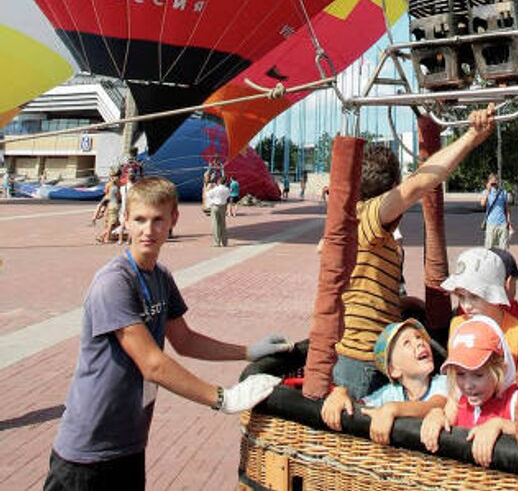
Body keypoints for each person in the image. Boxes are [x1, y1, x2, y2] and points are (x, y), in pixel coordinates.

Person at [43, 177, 288, 491]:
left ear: (173, 219)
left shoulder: (160, 276)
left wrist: (249, 351)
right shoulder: (114, 283)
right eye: (140, 220)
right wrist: (222, 398)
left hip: (130, 443)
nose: (148, 230)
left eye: (158, 220)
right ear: (125, 221)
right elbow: (152, 363)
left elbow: (185, 341)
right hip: (87, 450)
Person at [321, 105, 495, 429]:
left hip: (375, 356)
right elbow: (418, 185)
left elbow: (360, 286)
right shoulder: (369, 214)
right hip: (363, 362)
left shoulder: (355, 225)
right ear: (388, 190)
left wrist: (402, 304)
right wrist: (471, 137)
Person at [421, 315, 518, 468]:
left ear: (502, 370)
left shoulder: (514, 400)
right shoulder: (458, 400)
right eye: (460, 374)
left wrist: (501, 425)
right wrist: (436, 415)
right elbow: (446, 417)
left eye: (478, 375)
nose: (468, 385)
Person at [359, 318, 449, 444]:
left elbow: (434, 405)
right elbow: (359, 407)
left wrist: (393, 409)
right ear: (394, 370)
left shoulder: (443, 382)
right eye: (407, 342)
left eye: (419, 337)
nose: (420, 343)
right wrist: (340, 394)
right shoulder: (390, 393)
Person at [441, 246, 518, 365]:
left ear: (494, 295)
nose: (466, 306)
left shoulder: (517, 333)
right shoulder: (457, 324)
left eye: (475, 296)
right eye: (461, 297)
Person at [480, 173, 513, 249]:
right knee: (489, 248)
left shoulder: (503, 192)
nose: (494, 183)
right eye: (492, 182)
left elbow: (507, 209)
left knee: (503, 248)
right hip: (491, 224)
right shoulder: (485, 192)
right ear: (489, 182)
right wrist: (488, 190)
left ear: (498, 181)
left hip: (502, 224)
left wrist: (509, 223)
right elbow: (482, 204)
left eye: (496, 181)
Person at [205, 178, 231, 246]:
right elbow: (228, 196)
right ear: (225, 183)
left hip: (215, 206)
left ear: (219, 182)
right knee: (223, 224)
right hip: (223, 207)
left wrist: (209, 188)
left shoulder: (215, 189)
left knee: (215, 224)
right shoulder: (227, 189)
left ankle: (217, 242)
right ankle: (224, 242)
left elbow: (207, 195)